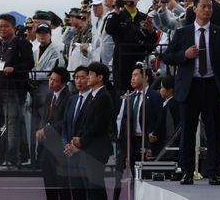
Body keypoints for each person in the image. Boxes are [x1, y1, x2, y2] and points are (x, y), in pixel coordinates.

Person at [162, 0, 220, 186]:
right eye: (203, 6)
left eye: (210, 7)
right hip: (189, 87)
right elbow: (167, 56)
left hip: (212, 86)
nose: (207, 10)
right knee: (187, 131)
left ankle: (213, 172)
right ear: (194, 9)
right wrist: (184, 55)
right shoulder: (182, 33)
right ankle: (186, 171)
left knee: (214, 132)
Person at [0, 13, 34, 170]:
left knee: (13, 129)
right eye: (0, 26)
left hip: (12, 93)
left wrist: (14, 69)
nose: (3, 29)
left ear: (13, 28)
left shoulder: (22, 43)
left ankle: (12, 161)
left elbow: (29, 64)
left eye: (6, 26)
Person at [67, 62, 114, 200]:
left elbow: (98, 125)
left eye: (90, 75)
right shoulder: (93, 96)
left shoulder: (103, 97)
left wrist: (82, 140)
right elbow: (86, 123)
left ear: (100, 77)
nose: (87, 78)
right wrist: (77, 140)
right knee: (91, 189)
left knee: (96, 190)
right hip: (89, 149)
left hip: (96, 150)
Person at [114, 64, 161, 199]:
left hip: (146, 141)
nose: (132, 79)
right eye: (131, 76)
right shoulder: (130, 97)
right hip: (131, 141)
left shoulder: (155, 96)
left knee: (146, 177)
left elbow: (160, 119)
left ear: (145, 77)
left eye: (136, 75)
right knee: (134, 176)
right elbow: (121, 120)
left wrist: (154, 136)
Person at [105, 0, 156, 93]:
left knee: (141, 94)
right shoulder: (116, 15)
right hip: (122, 62)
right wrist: (116, 10)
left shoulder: (144, 17)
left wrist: (151, 30)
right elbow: (109, 30)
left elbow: (152, 42)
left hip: (140, 61)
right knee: (122, 95)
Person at [36, 66, 71, 200]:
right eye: (50, 79)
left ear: (63, 83)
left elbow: (65, 121)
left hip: (61, 147)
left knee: (62, 184)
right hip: (46, 146)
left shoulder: (69, 97)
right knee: (49, 183)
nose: (51, 83)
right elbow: (45, 118)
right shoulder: (50, 96)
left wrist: (46, 130)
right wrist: (41, 130)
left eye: (55, 81)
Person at [62, 66, 91, 200]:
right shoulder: (72, 99)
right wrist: (67, 145)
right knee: (76, 190)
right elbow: (65, 125)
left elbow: (91, 128)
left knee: (89, 191)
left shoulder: (94, 99)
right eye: (76, 78)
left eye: (82, 77)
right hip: (71, 153)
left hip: (87, 153)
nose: (78, 81)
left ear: (89, 78)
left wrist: (78, 146)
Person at [148, 75, 180, 159]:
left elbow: (164, 128)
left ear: (170, 90)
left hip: (167, 148)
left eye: (162, 87)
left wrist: (154, 135)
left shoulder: (171, 107)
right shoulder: (171, 104)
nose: (160, 90)